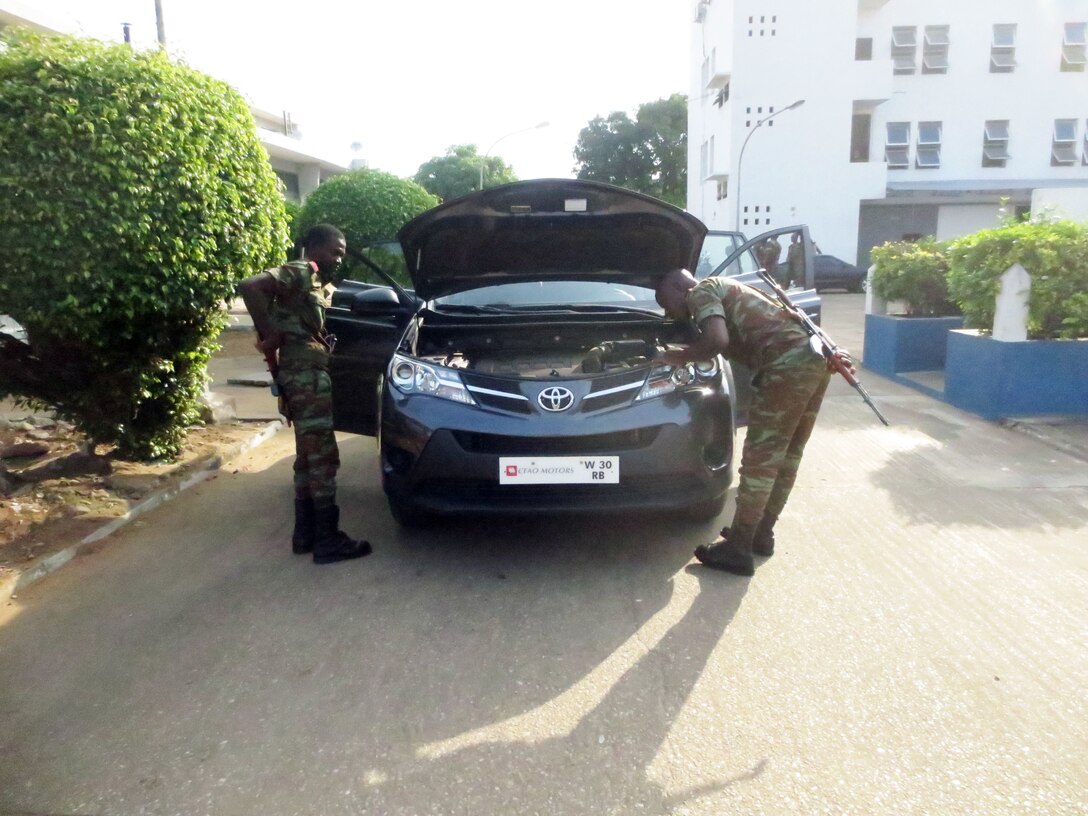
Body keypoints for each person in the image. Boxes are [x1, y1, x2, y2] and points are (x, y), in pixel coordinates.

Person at [655, 268, 852, 576]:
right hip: (814, 361)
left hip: (785, 365)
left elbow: (717, 341)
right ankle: (761, 534)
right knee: (787, 455)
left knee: (760, 460)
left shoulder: (702, 292)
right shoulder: (731, 287)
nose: (668, 312)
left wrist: (678, 356)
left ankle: (739, 548)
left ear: (679, 288)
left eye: (666, 303)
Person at [238, 224, 372, 565]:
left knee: (307, 458)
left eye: (341, 253)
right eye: (334, 251)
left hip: (306, 374)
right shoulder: (300, 270)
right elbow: (250, 286)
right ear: (314, 247)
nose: (338, 259)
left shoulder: (316, 283)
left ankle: (305, 535)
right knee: (323, 458)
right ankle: (327, 541)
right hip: (305, 376)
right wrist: (269, 333)